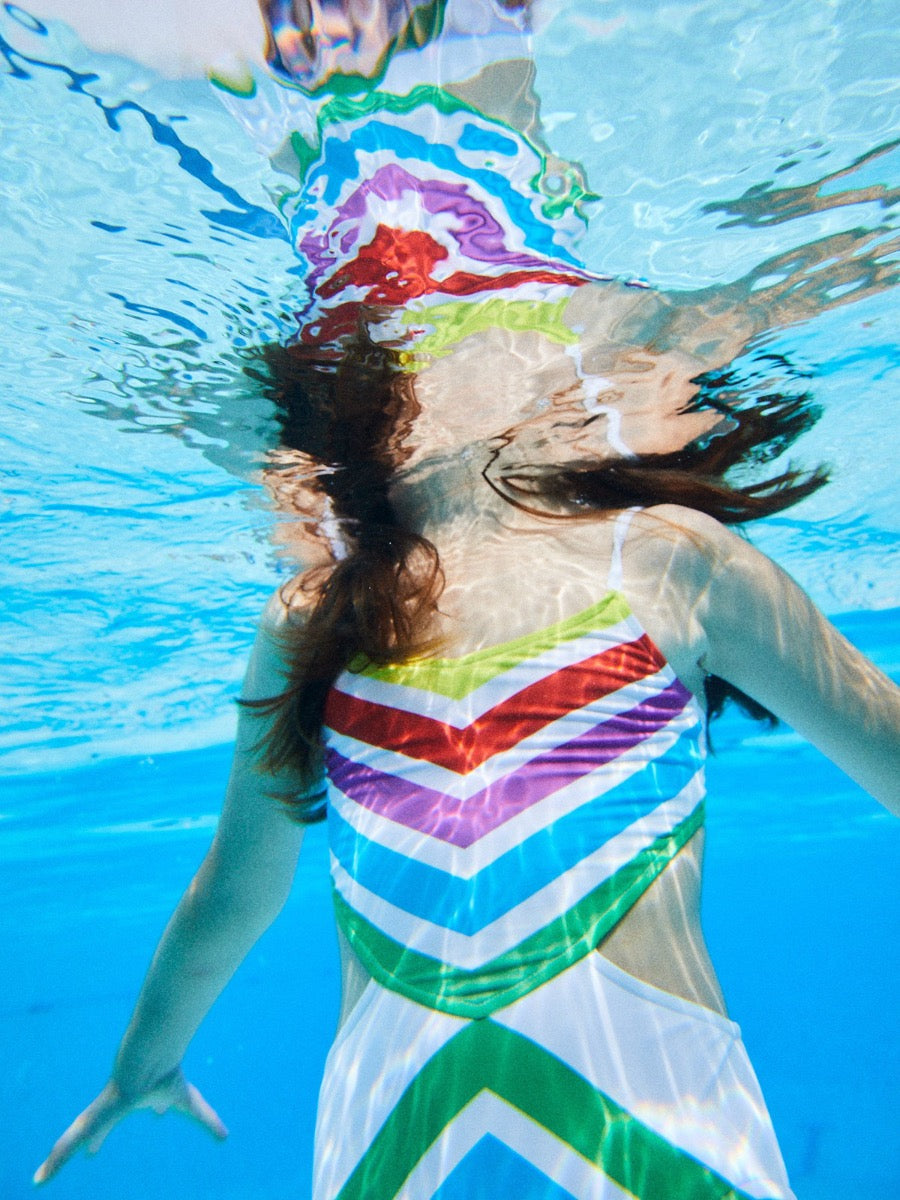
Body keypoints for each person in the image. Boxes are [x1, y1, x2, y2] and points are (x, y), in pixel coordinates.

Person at [35, 314, 900, 1198]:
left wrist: (144, 1063)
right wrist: (141, 1068)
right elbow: (236, 888)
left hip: (412, 1139)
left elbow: (236, 891)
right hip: (646, 1131)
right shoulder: (648, 560)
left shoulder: (650, 559)